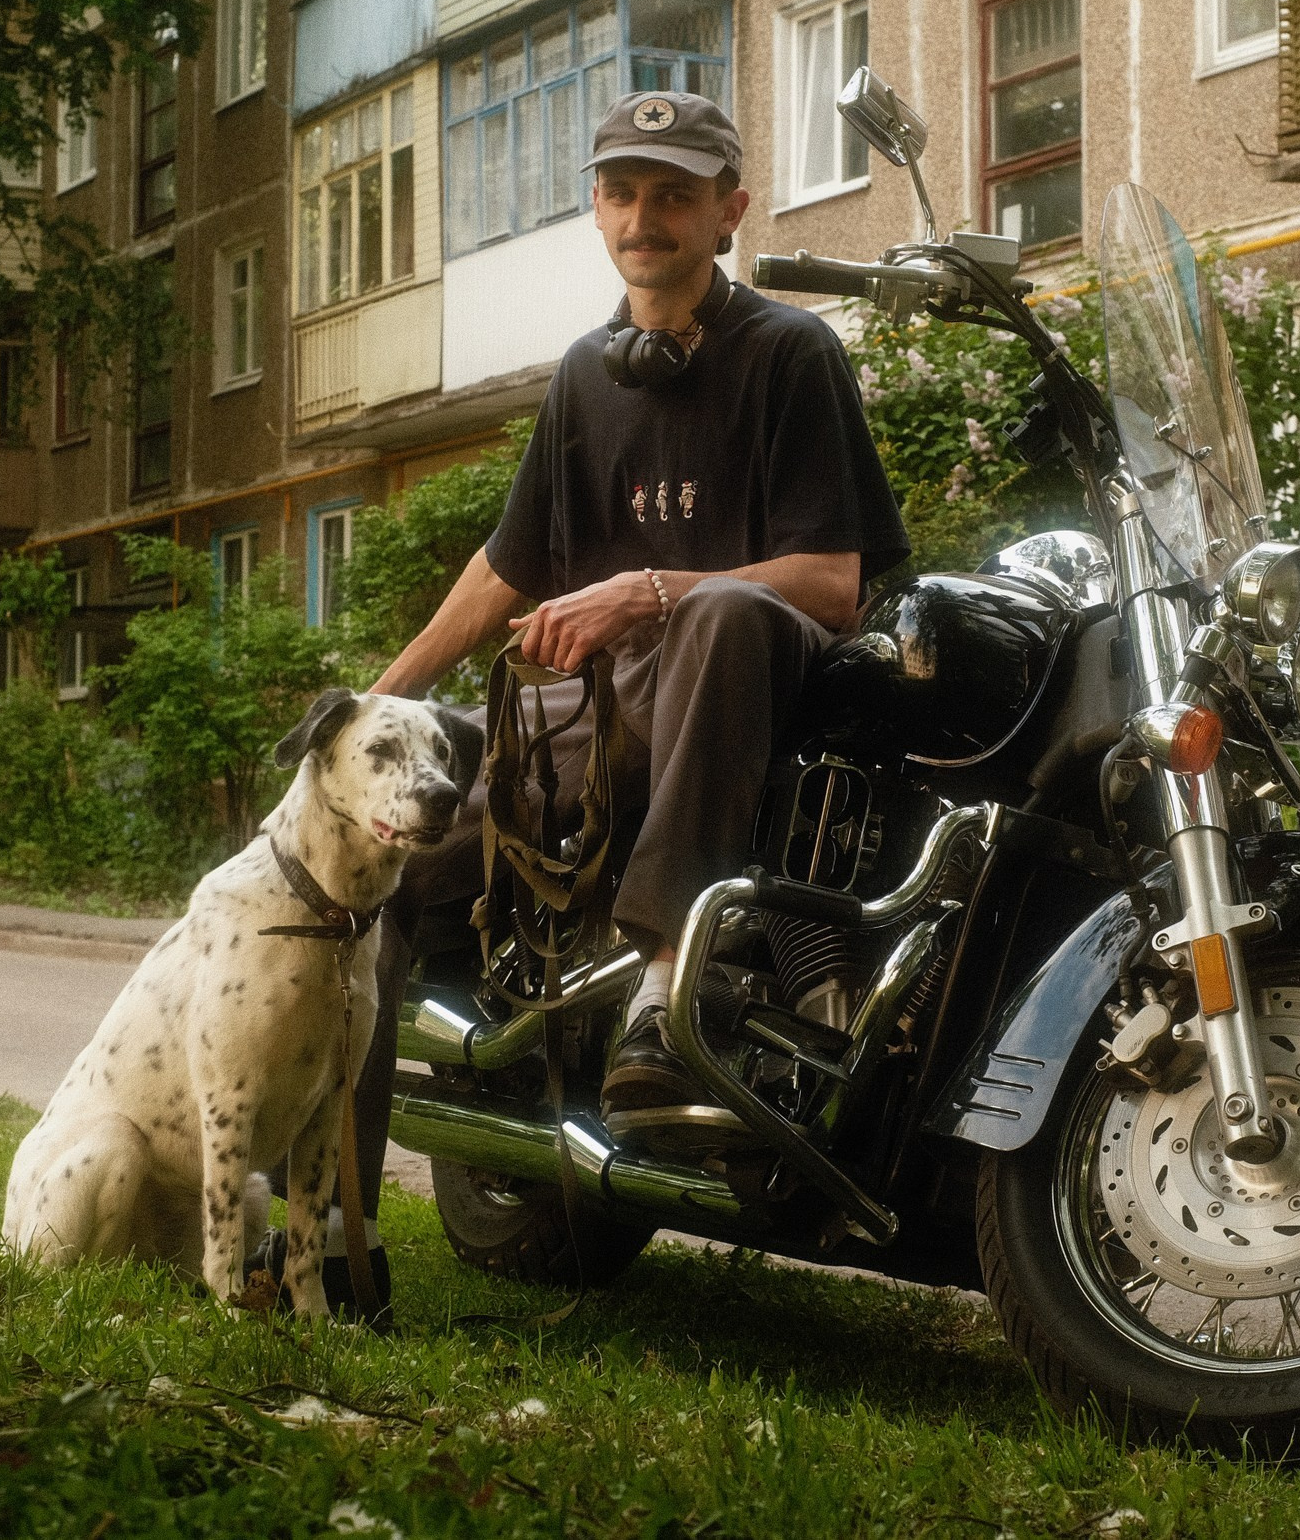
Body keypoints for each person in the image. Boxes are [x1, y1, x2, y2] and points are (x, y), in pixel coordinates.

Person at [369, 90, 909, 1111]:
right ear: (596, 207)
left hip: (754, 697)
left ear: (729, 212)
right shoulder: (586, 373)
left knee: (720, 612)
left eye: (673, 194)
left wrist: (647, 590)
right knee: (385, 819)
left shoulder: (791, 354)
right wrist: (374, 705)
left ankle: (668, 981)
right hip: (606, 714)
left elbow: (833, 585)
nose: (640, 218)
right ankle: (310, 1147)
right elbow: (506, 568)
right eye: (619, 193)